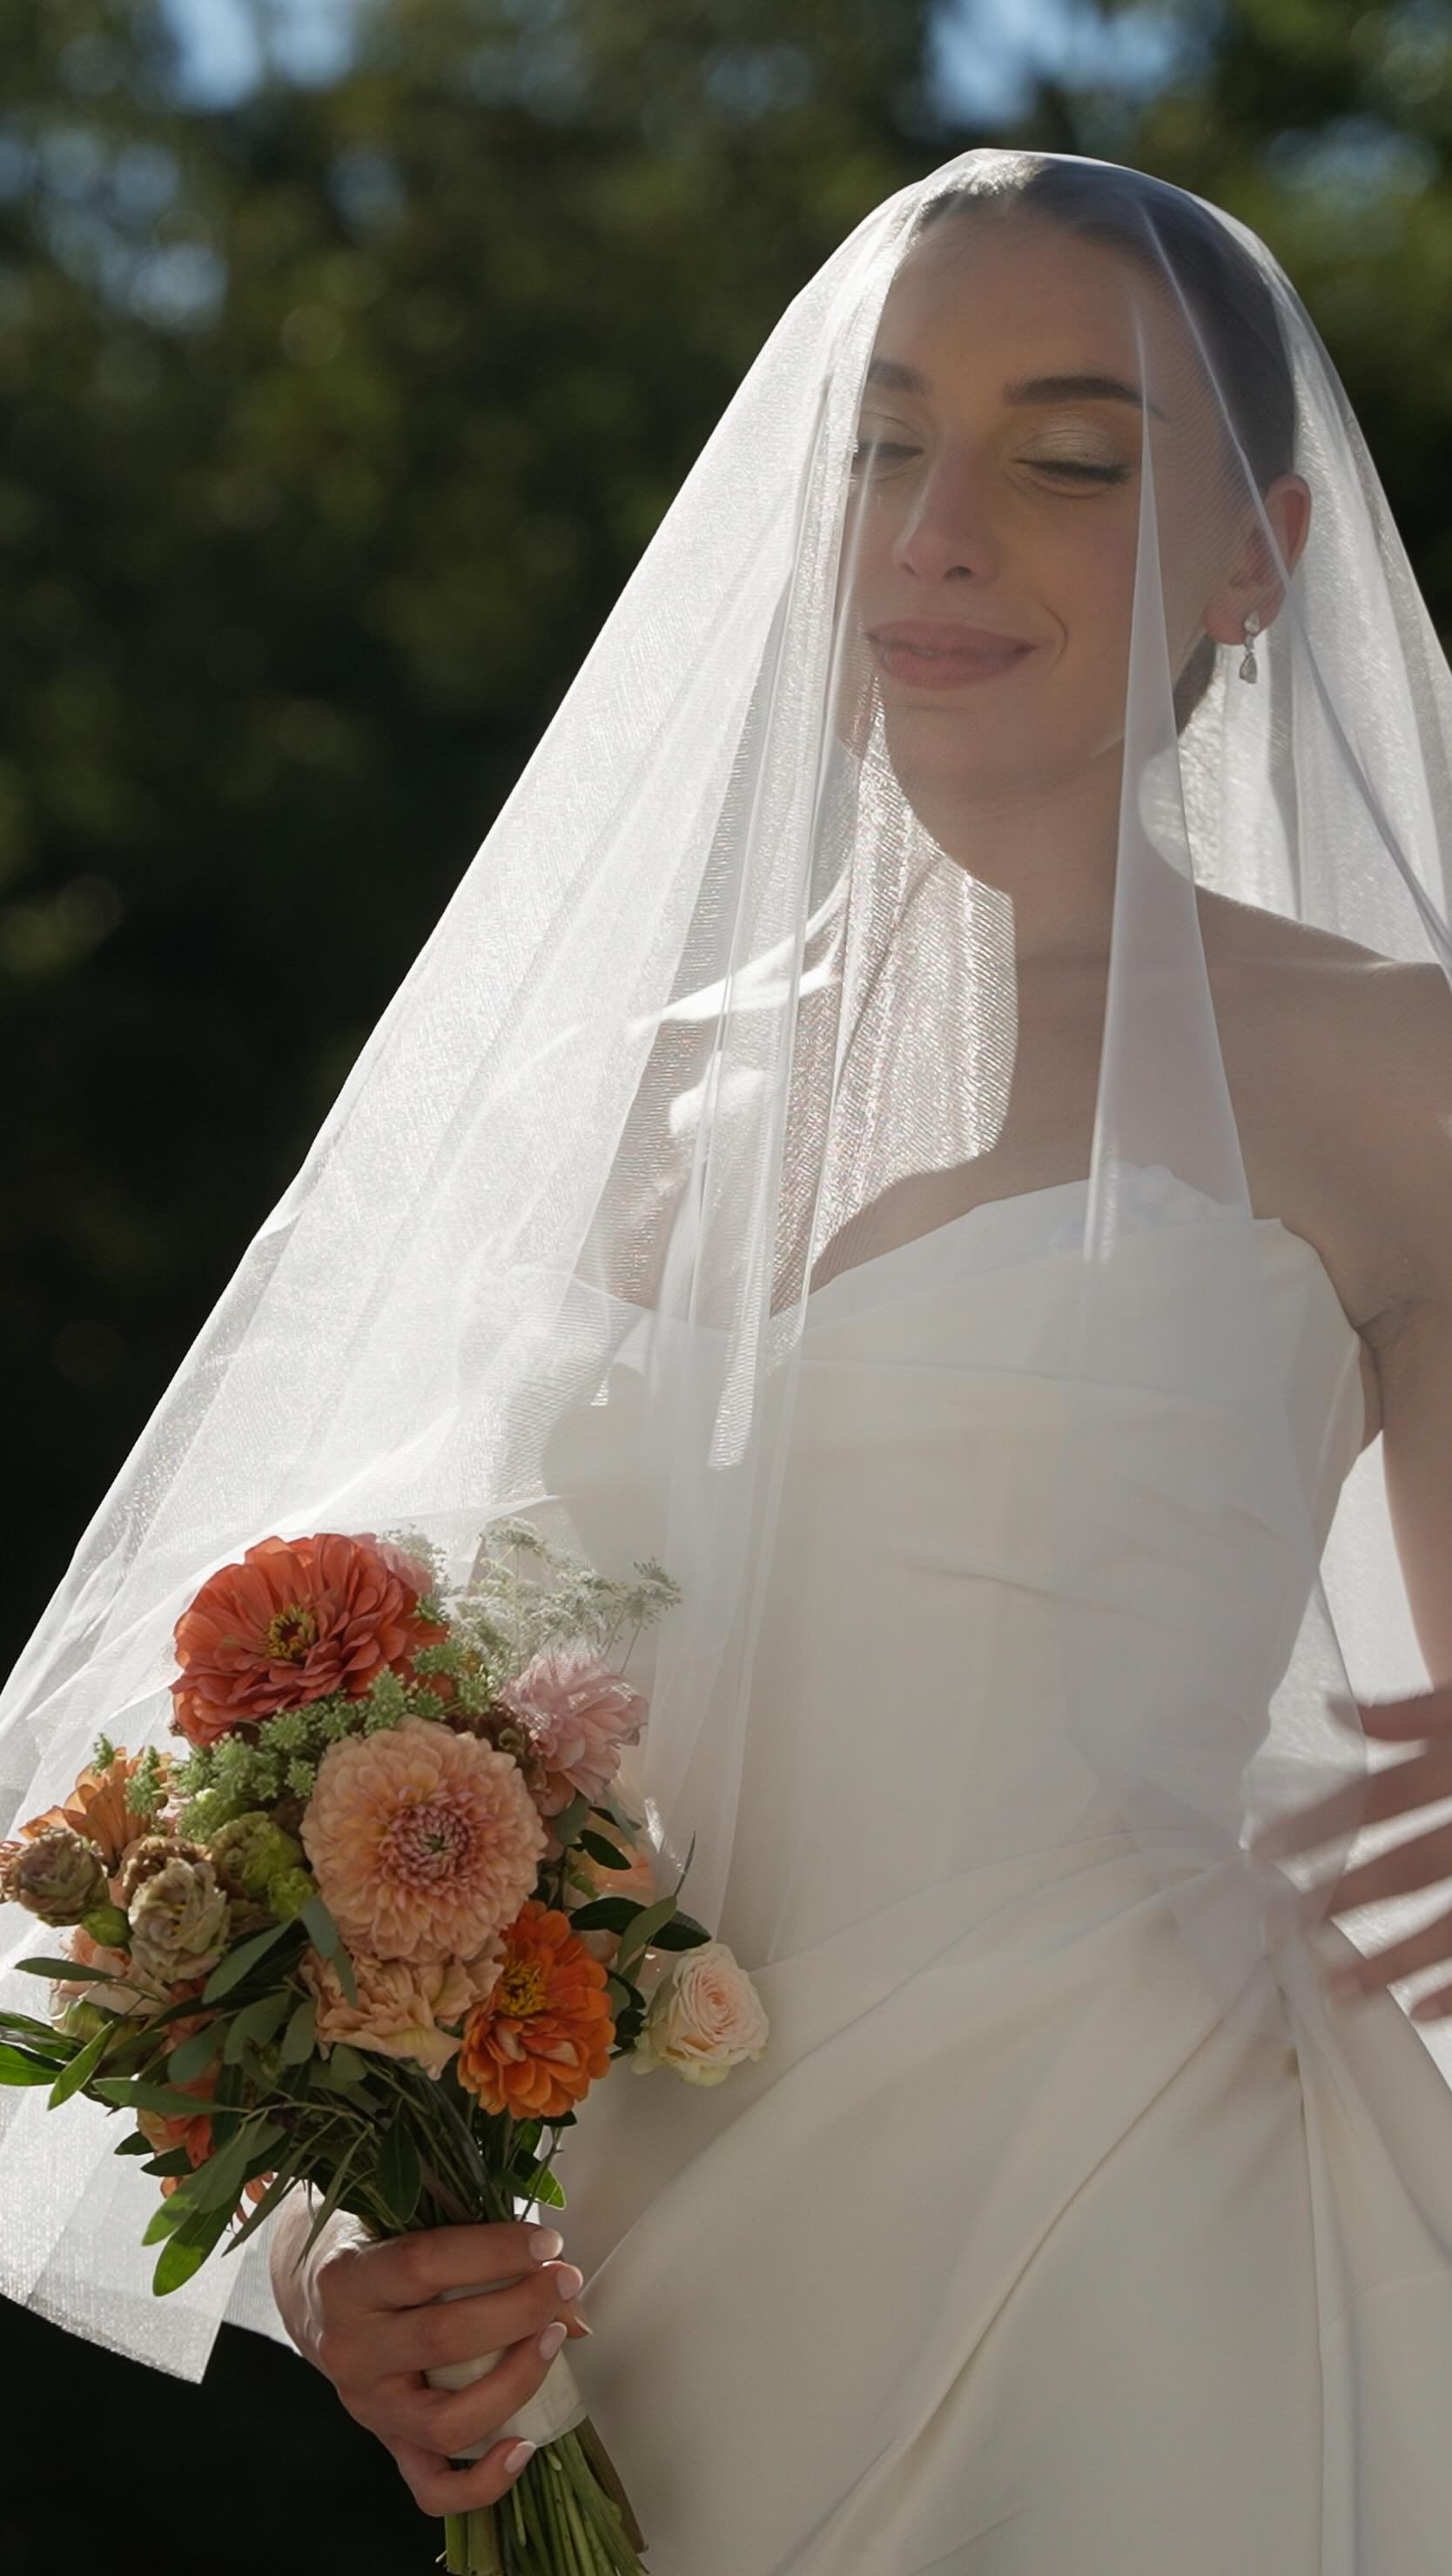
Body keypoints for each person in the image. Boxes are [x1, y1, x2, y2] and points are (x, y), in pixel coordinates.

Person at [9, 146, 1452, 2570]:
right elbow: (380, 1786)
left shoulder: (1391, 1075)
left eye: (1069, 459)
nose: (939, 531)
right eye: (881, 446)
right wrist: (355, 2238)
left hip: (1147, 2248)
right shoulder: (600, 1108)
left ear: (1257, 557)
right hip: (638, 2318)